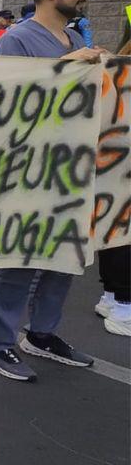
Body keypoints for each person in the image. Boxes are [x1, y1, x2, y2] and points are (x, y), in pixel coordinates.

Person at [0, 0, 105, 380]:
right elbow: (5, 104)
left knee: (64, 254)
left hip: (71, 167)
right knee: (20, 259)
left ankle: (42, 333)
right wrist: (67, 66)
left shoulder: (71, 36)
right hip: (28, 169)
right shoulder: (17, 41)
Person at [97, 26, 131, 336]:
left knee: (116, 232)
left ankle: (113, 299)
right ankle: (122, 305)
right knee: (122, 235)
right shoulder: (117, 72)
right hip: (119, 164)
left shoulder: (113, 68)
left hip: (113, 164)